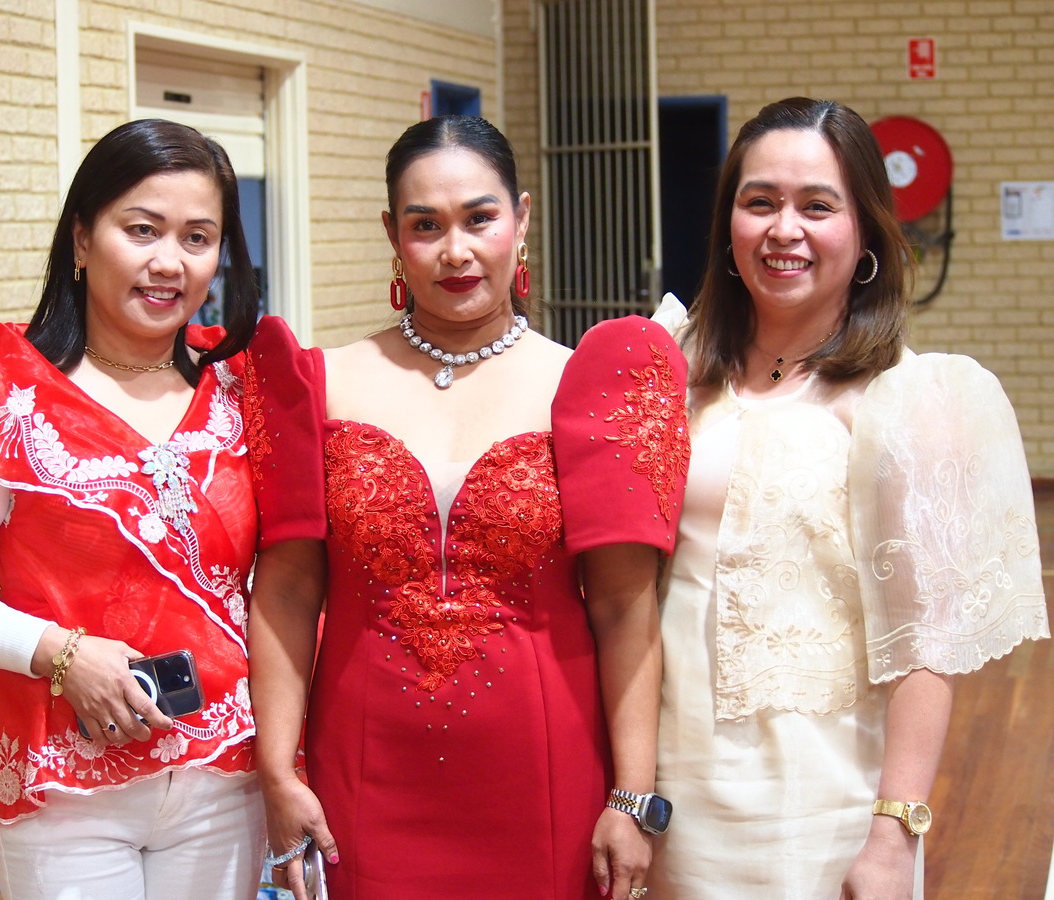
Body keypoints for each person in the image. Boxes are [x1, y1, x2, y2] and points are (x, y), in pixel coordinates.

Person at [241, 114, 690, 900]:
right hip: (363, 763)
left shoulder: (587, 387)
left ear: (521, 219)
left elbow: (625, 607)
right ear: (392, 234)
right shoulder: (320, 382)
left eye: (480, 218)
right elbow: (286, 591)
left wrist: (631, 795)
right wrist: (279, 769)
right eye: (426, 225)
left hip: (544, 765)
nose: (456, 251)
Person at [647, 97, 1049, 900]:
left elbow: (927, 645)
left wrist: (894, 833)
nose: (783, 230)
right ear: (728, 222)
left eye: (817, 206)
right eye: (760, 201)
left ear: (865, 232)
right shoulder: (671, 367)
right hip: (671, 785)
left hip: (820, 801)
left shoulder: (905, 399)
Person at [0, 119, 268, 900]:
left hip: (225, 772)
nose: (170, 262)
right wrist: (63, 654)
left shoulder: (239, 391)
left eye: (198, 237)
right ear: (83, 239)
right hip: (66, 783)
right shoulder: (11, 398)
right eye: (142, 230)